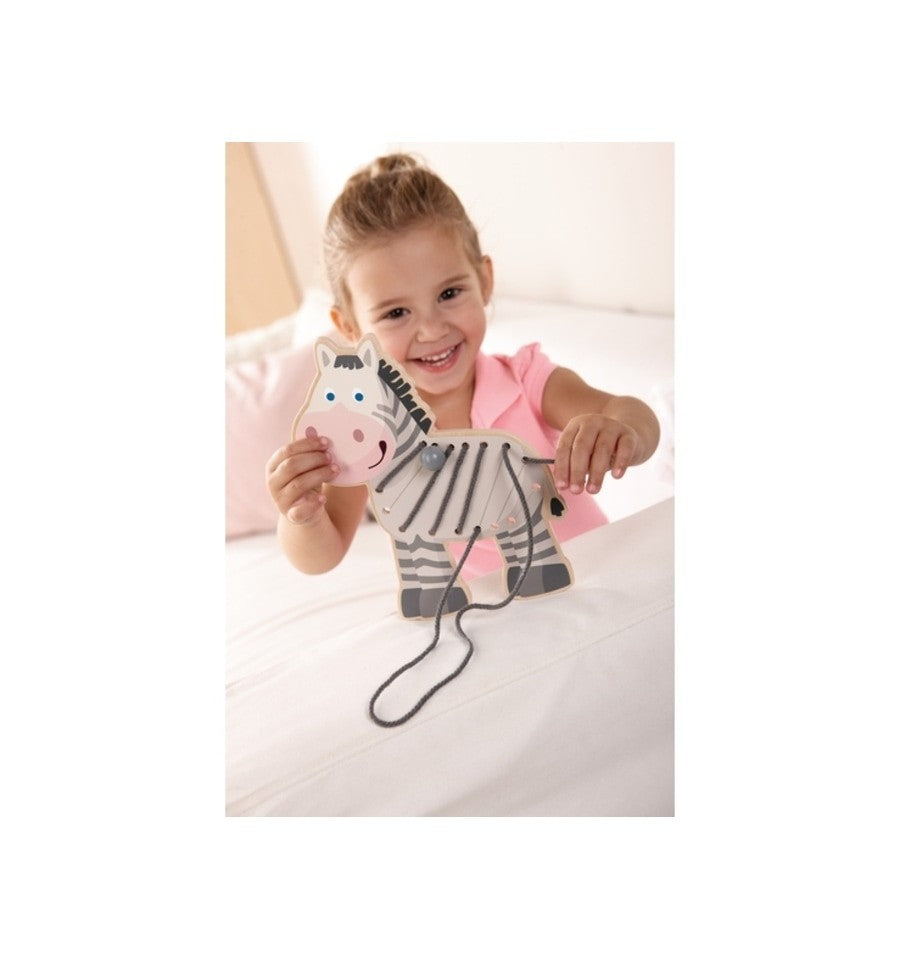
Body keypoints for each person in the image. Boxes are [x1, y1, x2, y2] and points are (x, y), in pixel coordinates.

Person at [266, 153, 660, 578]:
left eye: (449, 294)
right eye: (396, 313)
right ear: (350, 327)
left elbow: (632, 414)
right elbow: (321, 556)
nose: (432, 330)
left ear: (484, 280)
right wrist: (301, 515)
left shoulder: (529, 382)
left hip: (596, 592)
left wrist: (623, 432)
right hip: (486, 615)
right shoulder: (368, 433)